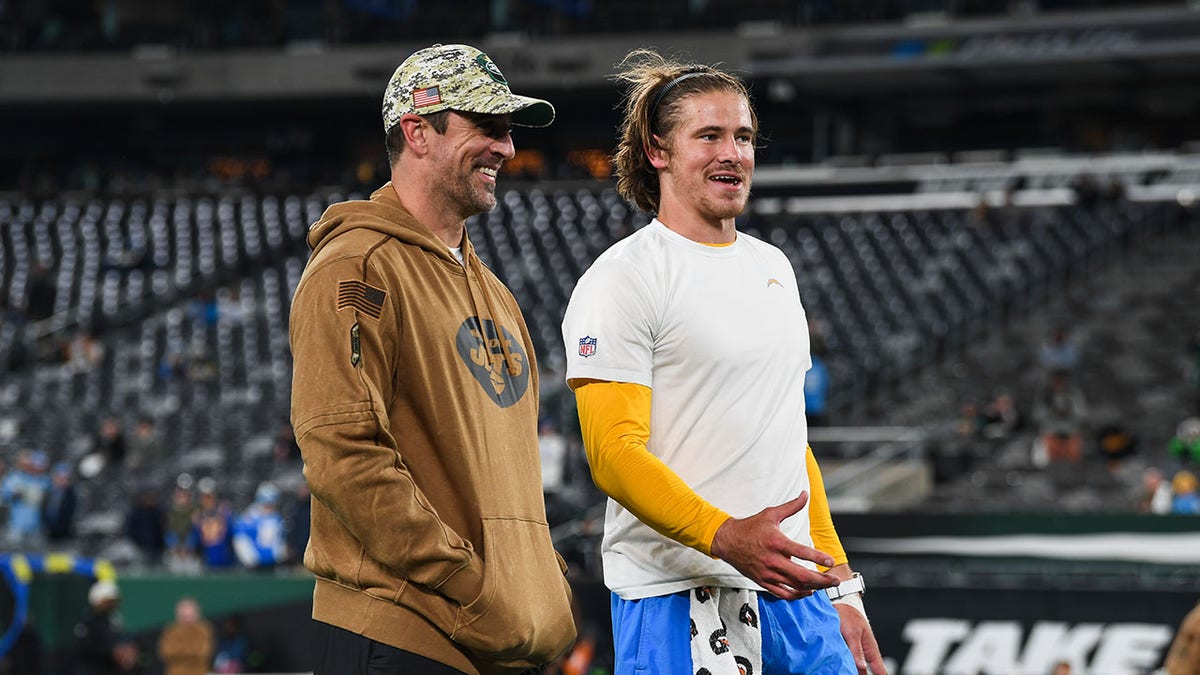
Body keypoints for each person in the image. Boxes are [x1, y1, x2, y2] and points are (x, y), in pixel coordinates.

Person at [560, 49, 884, 674]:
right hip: (678, 595)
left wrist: (841, 583)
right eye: (708, 135)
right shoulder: (622, 279)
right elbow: (613, 452)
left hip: (795, 590)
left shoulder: (774, 268)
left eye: (742, 137)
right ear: (658, 151)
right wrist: (726, 537)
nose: (731, 153)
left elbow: (790, 445)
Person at [288, 43, 575, 674]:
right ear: (417, 131)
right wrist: (472, 585)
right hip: (402, 635)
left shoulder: (495, 294)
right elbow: (343, 455)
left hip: (488, 642)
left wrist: (534, 583)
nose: (506, 148)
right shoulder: (355, 266)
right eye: (487, 127)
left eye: (508, 131)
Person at [72, 580, 139, 674]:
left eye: (114, 601)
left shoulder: (114, 620)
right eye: (109, 601)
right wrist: (111, 652)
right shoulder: (86, 622)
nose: (113, 605)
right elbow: (84, 648)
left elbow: (121, 640)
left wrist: (126, 650)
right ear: (99, 601)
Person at [157, 596, 215, 675]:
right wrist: (191, 649)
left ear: (197, 615)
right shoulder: (170, 631)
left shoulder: (204, 630)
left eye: (190, 616)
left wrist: (179, 651)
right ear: (178, 616)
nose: (187, 620)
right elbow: (165, 652)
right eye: (184, 616)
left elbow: (203, 652)